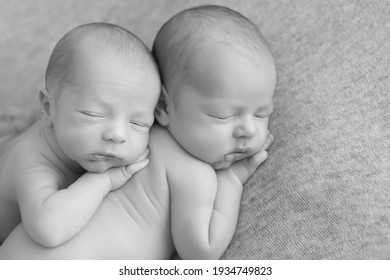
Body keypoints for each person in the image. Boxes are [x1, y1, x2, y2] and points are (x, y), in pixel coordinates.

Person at [0, 5, 276, 259]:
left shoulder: (128, 136)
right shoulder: (195, 176)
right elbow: (201, 253)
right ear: (162, 107)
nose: (249, 130)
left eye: (263, 114)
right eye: (222, 115)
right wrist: (231, 181)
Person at [0, 23, 161, 247]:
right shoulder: (33, 163)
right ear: (48, 108)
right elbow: (48, 229)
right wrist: (103, 181)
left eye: (138, 122)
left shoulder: (70, 132)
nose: (117, 134)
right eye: (93, 114)